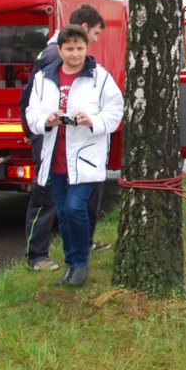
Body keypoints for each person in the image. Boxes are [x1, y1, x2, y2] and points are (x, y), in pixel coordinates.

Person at [26, 25, 123, 286]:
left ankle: (80, 263)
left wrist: (92, 120)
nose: (75, 54)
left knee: (75, 207)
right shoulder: (44, 77)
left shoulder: (99, 77)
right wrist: (46, 120)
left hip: (86, 156)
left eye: (80, 48)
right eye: (69, 49)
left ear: (86, 48)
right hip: (56, 156)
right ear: (59, 49)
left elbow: (115, 111)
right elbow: (31, 111)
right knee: (64, 213)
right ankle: (71, 263)